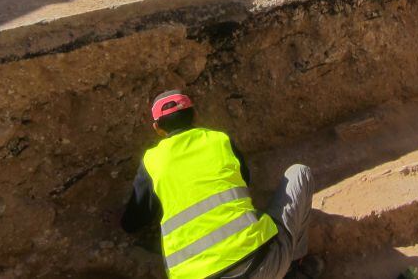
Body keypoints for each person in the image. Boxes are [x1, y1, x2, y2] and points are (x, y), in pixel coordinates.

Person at [121, 90, 324, 279]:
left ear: (157, 128)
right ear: (195, 115)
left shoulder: (152, 161)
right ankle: (293, 268)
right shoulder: (219, 140)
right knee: (299, 173)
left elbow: (132, 222)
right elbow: (244, 181)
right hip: (262, 268)